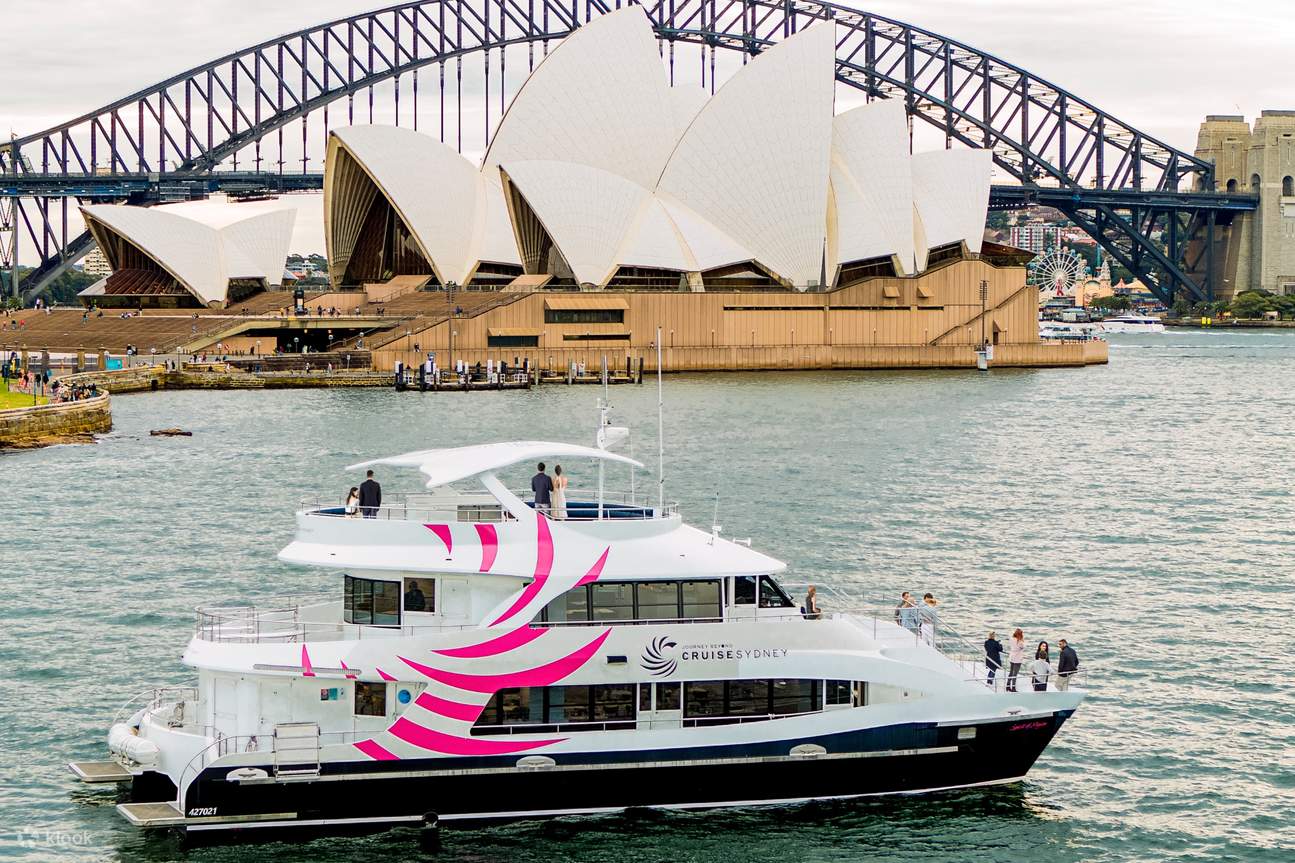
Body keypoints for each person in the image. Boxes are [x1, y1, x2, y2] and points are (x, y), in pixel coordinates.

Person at [1007, 628, 1025, 692]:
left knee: (1011, 672)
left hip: (1012, 657)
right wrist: (1022, 640)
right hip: (1017, 659)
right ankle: (1013, 688)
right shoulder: (1020, 642)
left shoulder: (1011, 639)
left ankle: (1008, 685)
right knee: (1015, 674)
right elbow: (1023, 647)